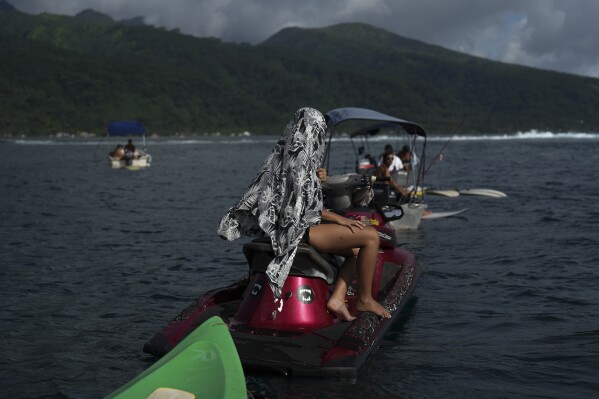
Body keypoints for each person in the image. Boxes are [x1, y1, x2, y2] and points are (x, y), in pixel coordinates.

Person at [217, 107, 390, 321]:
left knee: (356, 250)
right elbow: (299, 209)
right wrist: (340, 219)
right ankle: (365, 300)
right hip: (296, 230)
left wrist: (316, 180)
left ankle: (337, 299)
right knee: (370, 237)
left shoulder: (281, 156)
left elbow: (292, 197)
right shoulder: (300, 160)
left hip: (282, 226)